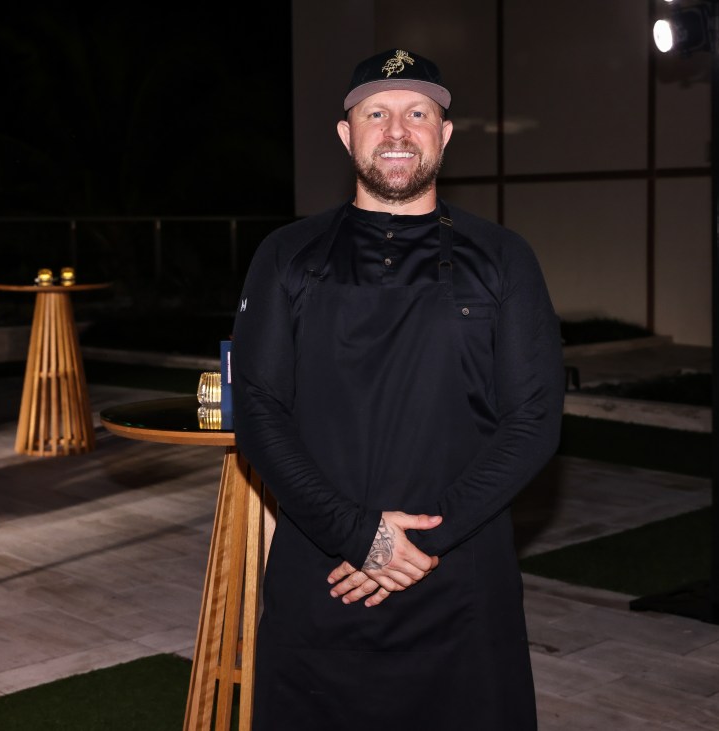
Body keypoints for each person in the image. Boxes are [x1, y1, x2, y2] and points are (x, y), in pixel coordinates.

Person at [231, 48, 564, 731]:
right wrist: (358, 535)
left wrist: (420, 541)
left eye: (418, 114)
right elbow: (258, 412)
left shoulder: (505, 258)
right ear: (345, 133)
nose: (397, 131)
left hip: (461, 582)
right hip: (325, 575)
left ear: (445, 134)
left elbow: (533, 419)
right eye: (376, 114)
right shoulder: (286, 255)